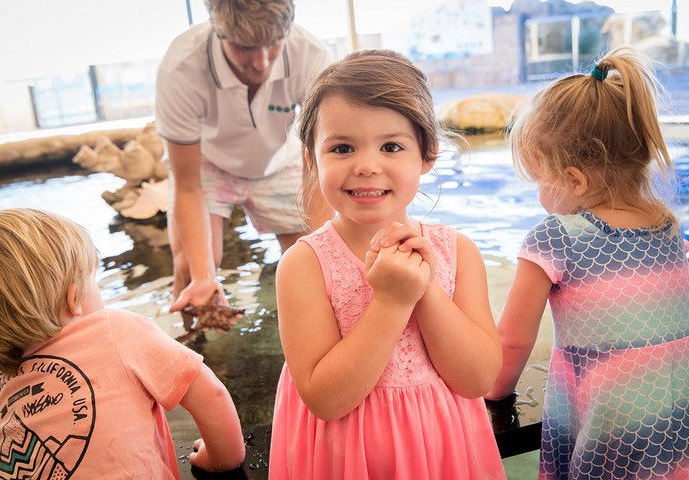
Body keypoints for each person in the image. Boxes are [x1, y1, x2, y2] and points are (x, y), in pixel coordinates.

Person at [269, 49, 506, 479]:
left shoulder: (458, 252)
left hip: (440, 448)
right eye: (342, 148)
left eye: (391, 146)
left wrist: (424, 291)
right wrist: (392, 303)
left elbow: (478, 380)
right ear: (311, 159)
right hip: (346, 457)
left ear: (427, 154)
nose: (365, 166)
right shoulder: (303, 265)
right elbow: (326, 399)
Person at [485, 47, 689, 479]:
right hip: (673, 432)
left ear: (574, 180)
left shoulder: (556, 237)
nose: (539, 193)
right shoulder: (670, 232)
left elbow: (512, 342)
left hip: (606, 437)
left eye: (541, 178)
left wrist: (495, 396)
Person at [0, 208, 245, 478]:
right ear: (73, 298)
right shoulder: (117, 330)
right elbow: (211, 396)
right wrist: (219, 460)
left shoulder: (0, 392)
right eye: (93, 280)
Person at [154, 0, 334, 315]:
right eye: (244, 47)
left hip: (281, 158)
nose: (261, 63)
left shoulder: (312, 55)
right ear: (219, 31)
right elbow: (187, 184)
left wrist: (325, 253)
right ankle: (189, 347)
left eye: (274, 44)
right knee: (190, 268)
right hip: (208, 163)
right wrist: (203, 277)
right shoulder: (181, 66)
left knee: (310, 259)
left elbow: (320, 165)